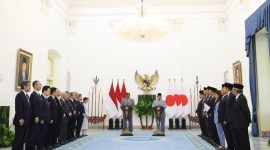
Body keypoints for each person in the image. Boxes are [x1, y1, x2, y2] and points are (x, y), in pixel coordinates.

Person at [12, 81, 31, 150]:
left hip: (26, 121)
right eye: (28, 85)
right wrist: (20, 118)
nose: (30, 87)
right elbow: (18, 108)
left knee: (23, 139)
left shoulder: (27, 96)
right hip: (21, 121)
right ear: (24, 86)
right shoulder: (19, 95)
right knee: (18, 139)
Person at [231, 83, 251, 150]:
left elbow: (246, 110)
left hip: (241, 124)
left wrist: (248, 120)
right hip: (237, 123)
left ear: (236, 90)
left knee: (243, 140)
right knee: (239, 140)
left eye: (233, 89)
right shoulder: (237, 98)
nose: (232, 91)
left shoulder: (242, 98)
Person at [26, 80, 43, 150]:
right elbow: (34, 107)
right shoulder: (33, 95)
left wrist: (40, 117)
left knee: (36, 135)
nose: (40, 85)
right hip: (34, 118)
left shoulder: (38, 95)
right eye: (39, 84)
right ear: (35, 85)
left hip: (38, 118)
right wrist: (36, 116)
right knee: (32, 135)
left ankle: (33, 147)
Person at [222, 83, 235, 150]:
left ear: (227, 88)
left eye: (224, 88)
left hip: (229, 120)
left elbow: (229, 110)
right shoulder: (227, 96)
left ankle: (231, 147)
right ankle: (230, 146)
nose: (223, 89)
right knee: (228, 135)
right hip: (227, 119)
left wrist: (226, 119)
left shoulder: (231, 96)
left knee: (230, 135)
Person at [39, 86, 51, 150]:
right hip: (43, 119)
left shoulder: (45, 98)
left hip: (47, 119)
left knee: (45, 133)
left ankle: (43, 145)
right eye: (48, 91)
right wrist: (42, 119)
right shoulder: (41, 98)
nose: (49, 92)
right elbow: (41, 110)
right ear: (44, 91)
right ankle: (40, 146)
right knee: (42, 133)